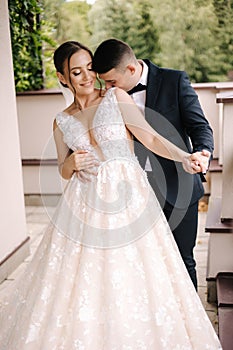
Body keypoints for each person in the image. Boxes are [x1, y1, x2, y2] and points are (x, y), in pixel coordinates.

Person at [0, 41, 222, 349]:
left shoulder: (116, 98)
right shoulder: (61, 120)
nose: (87, 76)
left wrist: (184, 157)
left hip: (129, 200)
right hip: (84, 204)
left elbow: (150, 136)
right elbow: (63, 170)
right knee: (81, 285)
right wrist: (70, 163)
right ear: (63, 78)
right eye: (76, 72)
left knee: (137, 276)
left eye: (89, 68)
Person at [92, 38, 214, 290]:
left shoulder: (175, 81)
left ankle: (192, 325)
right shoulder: (110, 97)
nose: (107, 87)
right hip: (133, 194)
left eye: (112, 81)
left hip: (177, 188)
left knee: (183, 260)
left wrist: (202, 152)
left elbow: (199, 126)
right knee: (144, 265)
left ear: (132, 69)